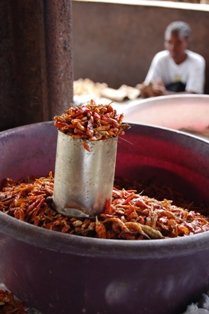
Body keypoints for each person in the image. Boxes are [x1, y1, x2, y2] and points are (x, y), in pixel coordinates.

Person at [139, 21, 206, 98]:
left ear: (187, 42)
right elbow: (149, 86)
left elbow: (194, 96)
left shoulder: (197, 62)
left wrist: (164, 94)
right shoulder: (160, 59)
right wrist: (150, 89)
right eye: (169, 42)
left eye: (178, 43)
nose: (173, 47)